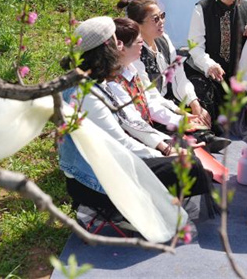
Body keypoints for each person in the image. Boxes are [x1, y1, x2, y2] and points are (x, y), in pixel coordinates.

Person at [57, 16, 215, 228]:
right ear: (105, 50)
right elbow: (121, 143)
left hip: (108, 165)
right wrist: (162, 153)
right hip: (94, 182)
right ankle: (121, 210)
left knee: (183, 148)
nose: (120, 46)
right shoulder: (85, 95)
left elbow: (132, 121)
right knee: (188, 166)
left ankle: (150, 205)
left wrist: (167, 147)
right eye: (117, 42)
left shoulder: (97, 81)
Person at [118, 0, 230, 153]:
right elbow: (150, 96)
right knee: (165, 121)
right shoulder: (135, 53)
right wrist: (180, 112)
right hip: (155, 101)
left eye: (162, 16)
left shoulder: (163, 39)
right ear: (138, 25)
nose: (161, 22)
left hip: (170, 94)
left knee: (203, 86)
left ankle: (203, 130)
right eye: (155, 19)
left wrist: (193, 102)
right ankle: (202, 136)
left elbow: (179, 74)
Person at [185, 0, 247, 121]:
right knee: (204, 100)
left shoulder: (246, 7)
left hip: (236, 74)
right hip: (206, 73)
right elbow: (195, 46)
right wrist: (209, 65)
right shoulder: (202, 8)